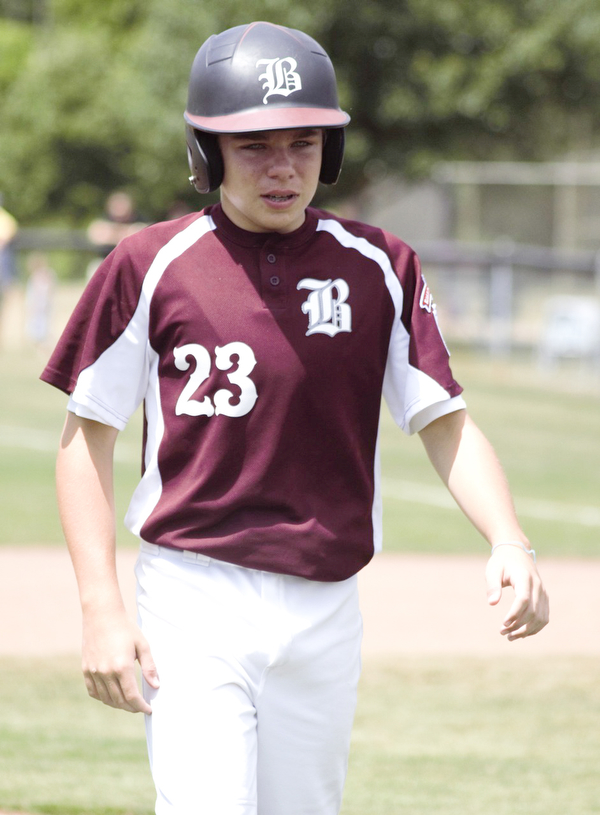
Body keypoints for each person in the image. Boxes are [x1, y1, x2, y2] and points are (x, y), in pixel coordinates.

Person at [41, 21, 549, 815]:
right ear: (207, 153)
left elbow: (445, 420)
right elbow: (86, 436)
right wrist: (101, 607)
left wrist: (509, 539)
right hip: (194, 593)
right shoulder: (149, 263)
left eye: (303, 144)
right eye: (254, 147)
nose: (283, 168)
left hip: (326, 601)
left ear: (330, 153)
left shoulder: (379, 263)